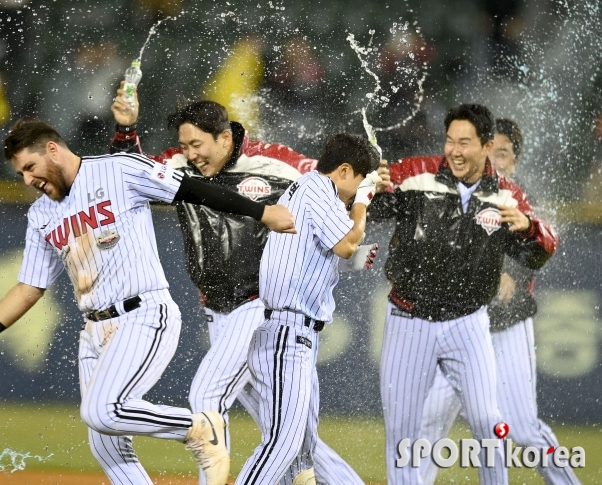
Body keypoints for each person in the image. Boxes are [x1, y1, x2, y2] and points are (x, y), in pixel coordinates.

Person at [0, 119, 296, 485]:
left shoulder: (119, 169)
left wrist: (262, 212)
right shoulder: (41, 214)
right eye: (20, 174)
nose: (27, 180)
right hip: (93, 330)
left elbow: (193, 189)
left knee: (102, 412)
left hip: (142, 315)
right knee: (105, 445)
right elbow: (29, 287)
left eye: (29, 168)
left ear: (52, 149)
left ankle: (198, 427)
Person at [110, 87, 379, 485]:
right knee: (291, 436)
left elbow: (334, 180)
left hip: (260, 306)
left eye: (197, 144)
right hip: (219, 313)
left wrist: (371, 182)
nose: (190, 153)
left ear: (225, 136)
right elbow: (127, 174)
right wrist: (126, 130)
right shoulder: (179, 165)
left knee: (207, 400)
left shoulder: (279, 163)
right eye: (183, 145)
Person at [368, 104, 559, 485]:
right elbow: (370, 209)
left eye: (465, 143)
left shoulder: (507, 196)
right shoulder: (414, 174)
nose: (454, 150)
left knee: (490, 423)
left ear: (487, 146)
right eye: (450, 140)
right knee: (404, 432)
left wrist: (529, 229)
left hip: (469, 324)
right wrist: (368, 188)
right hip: (409, 320)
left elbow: (539, 254)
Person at [418, 118, 581, 485]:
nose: (496, 159)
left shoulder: (519, 200)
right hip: (462, 329)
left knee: (522, 432)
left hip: (505, 329)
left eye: (503, 153)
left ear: (514, 162)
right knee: (429, 420)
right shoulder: (456, 196)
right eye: (490, 150)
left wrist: (512, 274)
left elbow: (538, 247)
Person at [234, 133, 383, 485]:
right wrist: (364, 199)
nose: (356, 191)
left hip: (295, 332)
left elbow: (327, 254)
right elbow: (347, 244)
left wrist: (353, 254)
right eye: (357, 181)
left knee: (301, 452)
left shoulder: (309, 189)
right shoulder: (318, 190)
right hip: (287, 331)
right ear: (344, 170)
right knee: (283, 445)